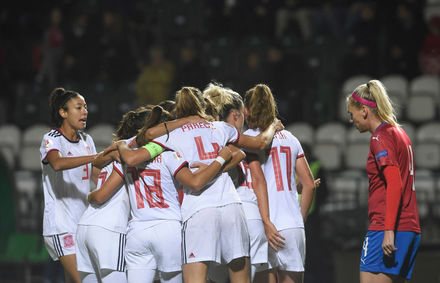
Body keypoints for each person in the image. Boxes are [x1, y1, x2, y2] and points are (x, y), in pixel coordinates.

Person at [135, 86, 282, 283]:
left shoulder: (171, 135)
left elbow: (144, 136)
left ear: (178, 111)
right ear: (204, 106)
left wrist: (184, 122)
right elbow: (259, 143)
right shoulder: (221, 127)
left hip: (199, 210)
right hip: (231, 206)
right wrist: (273, 125)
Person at [90, 105, 234, 283]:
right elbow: (195, 182)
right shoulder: (168, 153)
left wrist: (120, 145)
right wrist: (220, 159)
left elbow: (97, 162)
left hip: (137, 231)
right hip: (168, 228)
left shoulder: (125, 152)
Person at [203, 83, 284, 282]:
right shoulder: (238, 137)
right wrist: (273, 125)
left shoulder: (203, 137)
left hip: (209, 216)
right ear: (237, 115)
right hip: (247, 214)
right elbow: (258, 178)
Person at [346, 80, 421, 283]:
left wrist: (388, 231)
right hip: (410, 227)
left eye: (351, 114)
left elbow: (394, 183)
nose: (351, 120)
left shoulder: (380, 138)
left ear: (363, 110)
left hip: (387, 228)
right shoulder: (400, 133)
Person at [40, 87, 115, 283]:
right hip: (60, 225)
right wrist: (94, 157)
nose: (85, 111)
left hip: (82, 223)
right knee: (85, 280)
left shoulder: (86, 140)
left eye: (86, 107)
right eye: (79, 107)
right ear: (63, 113)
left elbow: (96, 175)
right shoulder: (52, 139)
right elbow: (57, 163)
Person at [243, 84, 315, 283]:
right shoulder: (291, 139)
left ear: (245, 110)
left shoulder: (246, 140)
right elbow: (309, 184)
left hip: (261, 224)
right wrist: (298, 220)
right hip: (291, 225)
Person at [75, 106, 151, 283]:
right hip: (109, 230)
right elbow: (101, 196)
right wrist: (91, 195)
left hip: (85, 226)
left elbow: (95, 166)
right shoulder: (130, 156)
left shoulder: (114, 151)